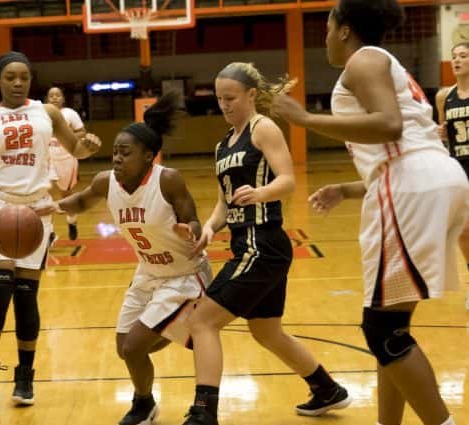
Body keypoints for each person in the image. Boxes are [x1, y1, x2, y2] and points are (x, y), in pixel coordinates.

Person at [273, 1, 467, 424]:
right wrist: (349, 187)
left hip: (412, 185)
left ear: (344, 29)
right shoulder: (381, 63)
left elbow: (389, 125)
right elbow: (403, 142)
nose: (324, 36)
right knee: (391, 329)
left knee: (382, 332)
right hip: (431, 178)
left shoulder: (365, 59)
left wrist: (305, 118)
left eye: (327, 26)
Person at [181, 62, 351, 425]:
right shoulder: (222, 144)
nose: (224, 105)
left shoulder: (264, 129)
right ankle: (327, 389)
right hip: (247, 244)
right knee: (266, 331)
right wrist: (210, 228)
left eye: (231, 98)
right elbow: (224, 201)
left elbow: (288, 180)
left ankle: (204, 412)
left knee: (202, 321)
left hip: (263, 243)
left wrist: (261, 192)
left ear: (251, 95)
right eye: (219, 98)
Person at [51, 92, 211, 425]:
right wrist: (48, 207)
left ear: (149, 156)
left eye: (126, 153)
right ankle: (166, 356)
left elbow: (193, 219)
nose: (117, 159)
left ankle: (142, 404)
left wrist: (190, 230)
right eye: (115, 152)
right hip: (148, 273)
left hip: (184, 274)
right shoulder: (105, 181)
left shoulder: (168, 179)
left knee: (136, 347)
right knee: (125, 347)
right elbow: (79, 203)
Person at [0, 51, 101, 406]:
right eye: (11, 77)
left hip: (36, 208)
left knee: (25, 295)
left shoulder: (46, 113)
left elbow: (75, 149)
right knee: (1, 287)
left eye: (24, 77)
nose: (18, 83)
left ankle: (25, 375)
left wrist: (89, 148)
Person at [435, 41, 469, 311]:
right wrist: (441, 133)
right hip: (459, 166)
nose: (457, 60)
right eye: (454, 56)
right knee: (464, 230)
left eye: (463, 56)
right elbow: (442, 129)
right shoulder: (444, 96)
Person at [46, 86, 86, 240]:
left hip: (66, 159)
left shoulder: (70, 114)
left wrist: (66, 135)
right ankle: (48, 232)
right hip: (48, 160)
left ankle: (72, 222)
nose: (54, 98)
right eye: (51, 96)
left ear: (62, 98)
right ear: (47, 99)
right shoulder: (42, 114)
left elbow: (82, 132)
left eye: (57, 95)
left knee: (66, 195)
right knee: (43, 194)